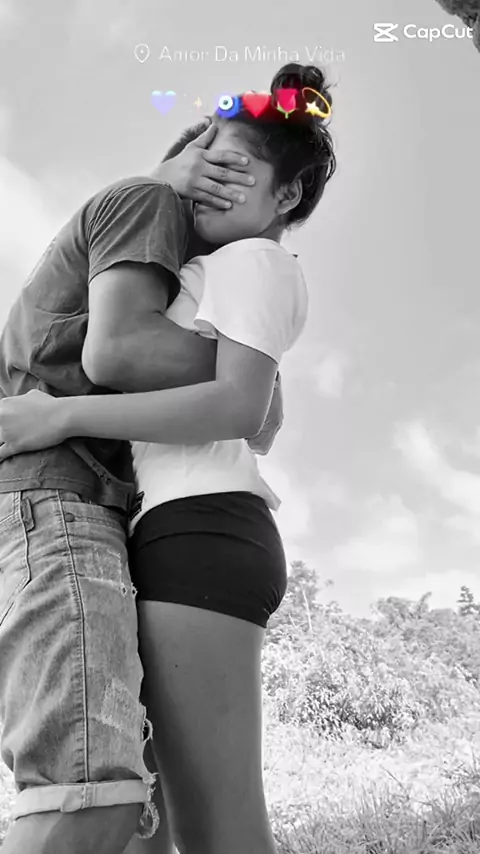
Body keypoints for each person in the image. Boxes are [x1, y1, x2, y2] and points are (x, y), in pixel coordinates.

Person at [0, 62, 336, 854]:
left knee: (202, 823)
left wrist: (61, 414)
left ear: (287, 194)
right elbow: (253, 408)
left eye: (235, 167)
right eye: (203, 161)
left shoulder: (251, 263)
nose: (209, 183)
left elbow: (244, 409)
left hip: (195, 526)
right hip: (151, 524)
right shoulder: (190, 266)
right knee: (148, 817)